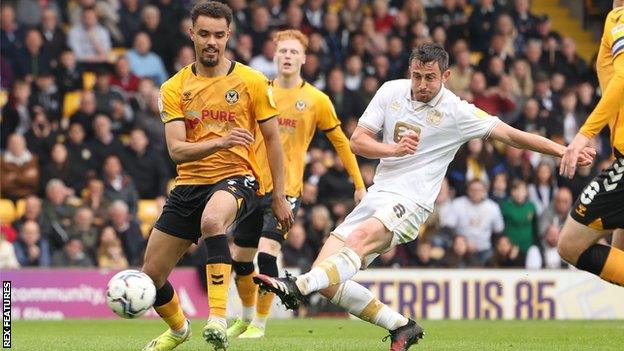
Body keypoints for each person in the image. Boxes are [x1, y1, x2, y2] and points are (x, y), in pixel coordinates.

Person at [255, 43, 595, 351]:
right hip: (379, 194)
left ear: (445, 76)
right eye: (416, 76)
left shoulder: (457, 111)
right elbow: (358, 140)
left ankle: (296, 286)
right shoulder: (391, 92)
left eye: (430, 78)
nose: (421, 84)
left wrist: (563, 149)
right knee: (327, 278)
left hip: (412, 202)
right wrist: (392, 149)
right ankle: (401, 326)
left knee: (355, 243)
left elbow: (512, 135)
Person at [139, 2, 293, 351]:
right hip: (190, 184)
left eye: (219, 35)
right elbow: (177, 150)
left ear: (229, 36)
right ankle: (178, 330)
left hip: (238, 178)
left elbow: (272, 141)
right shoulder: (173, 88)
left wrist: (279, 196)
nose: (212, 41)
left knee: (213, 221)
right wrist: (221, 140)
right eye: (204, 34)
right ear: (191, 33)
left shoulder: (252, 81)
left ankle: (218, 319)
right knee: (151, 275)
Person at [227, 29, 366, 339]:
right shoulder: (260, 91)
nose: (288, 56)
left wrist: (359, 183)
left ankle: (260, 325)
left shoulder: (317, 100)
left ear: (304, 58)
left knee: (267, 252)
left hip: (287, 189)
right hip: (253, 185)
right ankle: (246, 318)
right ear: (274, 57)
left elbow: (341, 143)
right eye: (283, 52)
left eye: (293, 52)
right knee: (241, 259)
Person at [558, 0, 624, 287]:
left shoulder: (620, 17)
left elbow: (623, 78)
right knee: (619, 252)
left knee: (571, 245)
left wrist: (584, 135)